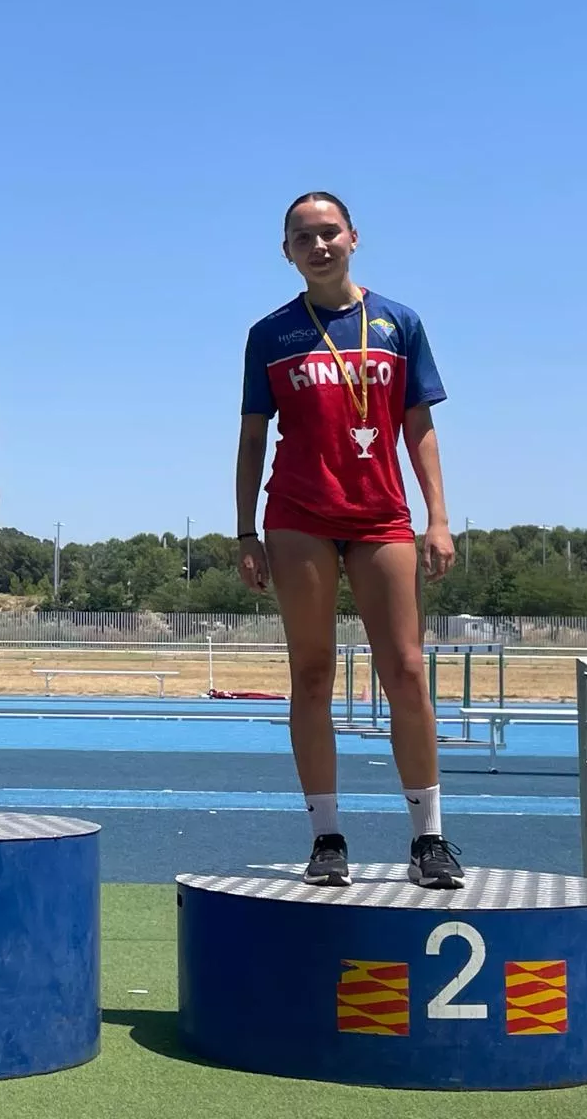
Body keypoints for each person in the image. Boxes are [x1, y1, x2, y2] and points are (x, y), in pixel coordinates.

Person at [234, 192, 464, 889]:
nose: (319, 244)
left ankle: (429, 839)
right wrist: (245, 530)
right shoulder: (271, 334)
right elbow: (251, 438)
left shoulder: (399, 323)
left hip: (381, 516)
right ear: (287, 251)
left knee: (406, 671)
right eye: (303, 236)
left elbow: (418, 425)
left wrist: (439, 516)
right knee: (311, 673)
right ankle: (326, 836)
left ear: (354, 238)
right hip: (298, 514)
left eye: (329, 232)